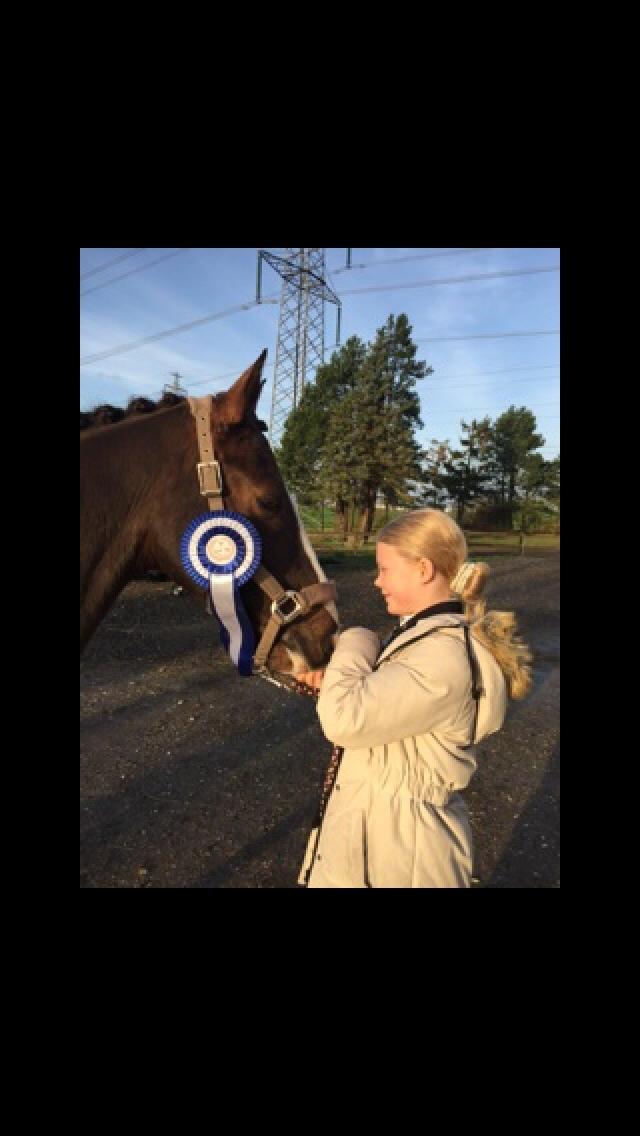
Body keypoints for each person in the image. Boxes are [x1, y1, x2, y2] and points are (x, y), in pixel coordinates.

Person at [296, 507, 532, 889]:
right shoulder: (423, 639)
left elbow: (345, 719)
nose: (376, 581)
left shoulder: (444, 656)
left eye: (385, 569)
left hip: (400, 857)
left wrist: (356, 639)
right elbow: (381, 704)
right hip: (379, 837)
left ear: (423, 569)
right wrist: (337, 680)